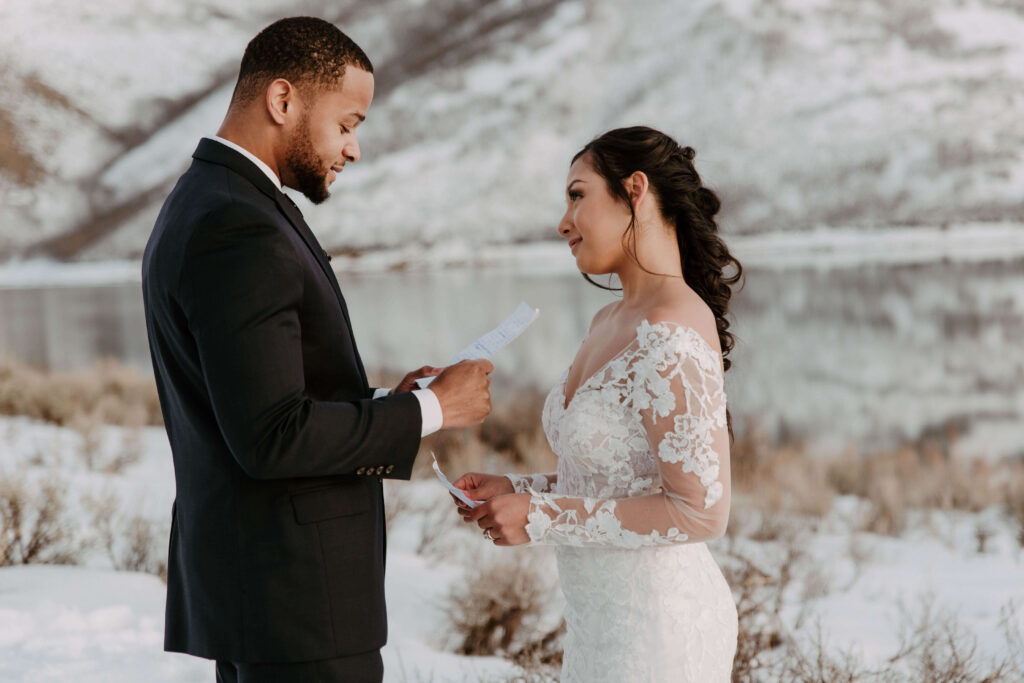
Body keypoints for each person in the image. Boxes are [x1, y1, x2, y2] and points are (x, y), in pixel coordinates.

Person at [141, 17, 493, 683]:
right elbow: (273, 435)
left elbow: (260, 401)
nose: (354, 148)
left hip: (266, 602)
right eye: (348, 122)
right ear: (283, 101)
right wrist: (429, 412)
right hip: (298, 612)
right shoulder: (237, 224)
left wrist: (392, 401)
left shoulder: (208, 200)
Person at [453, 126, 742, 681]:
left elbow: (702, 511)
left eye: (577, 194)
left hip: (659, 635)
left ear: (635, 190)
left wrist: (542, 516)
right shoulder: (607, 320)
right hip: (598, 627)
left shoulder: (673, 328)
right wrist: (520, 490)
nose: (563, 222)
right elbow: (612, 479)